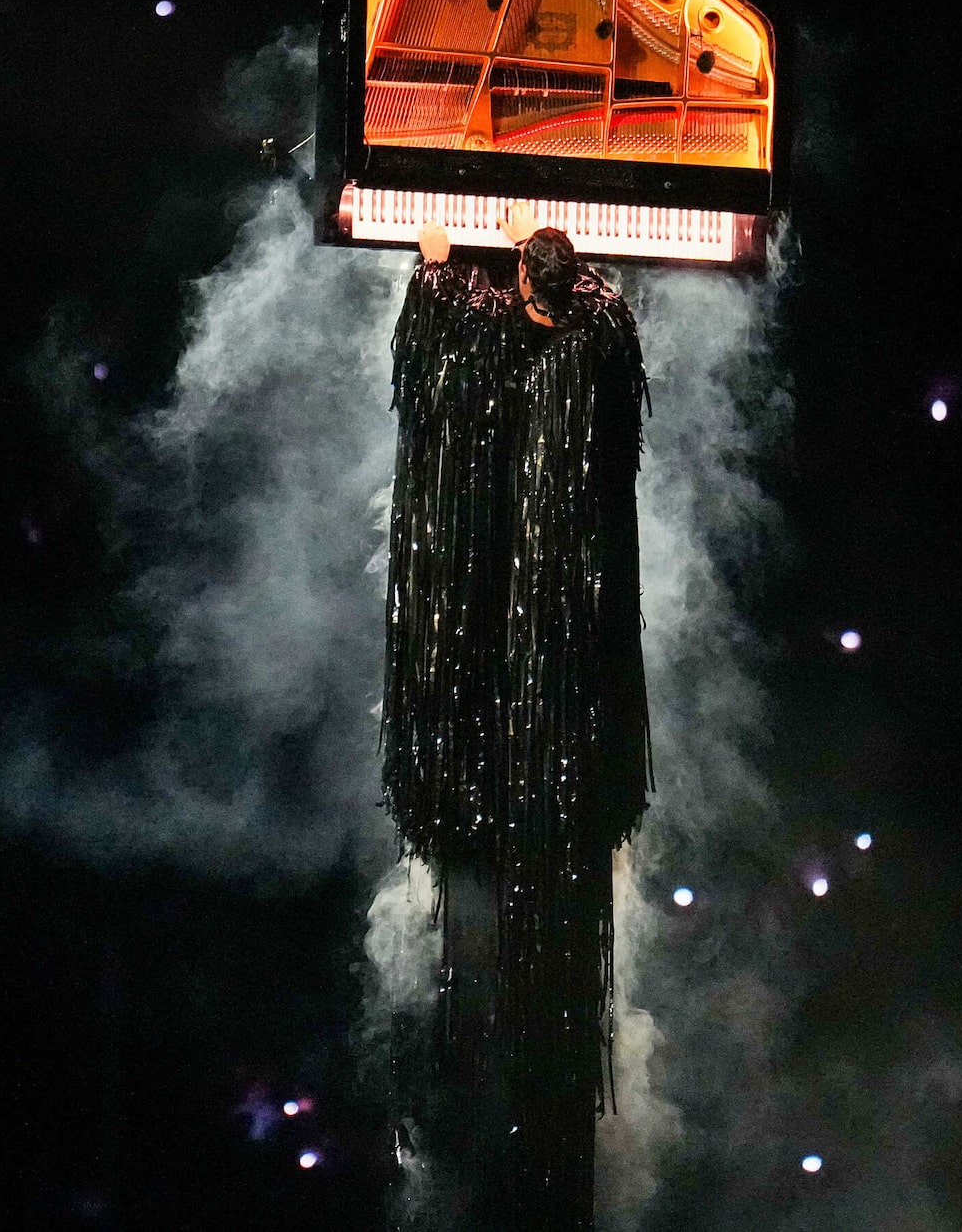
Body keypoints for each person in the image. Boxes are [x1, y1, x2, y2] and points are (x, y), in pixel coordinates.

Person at [383, 202, 649, 1231]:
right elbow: (442, 402)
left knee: (531, 938)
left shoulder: (591, 332)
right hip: (491, 715)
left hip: (558, 713)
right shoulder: (467, 311)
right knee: (487, 932)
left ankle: (531, 1156)